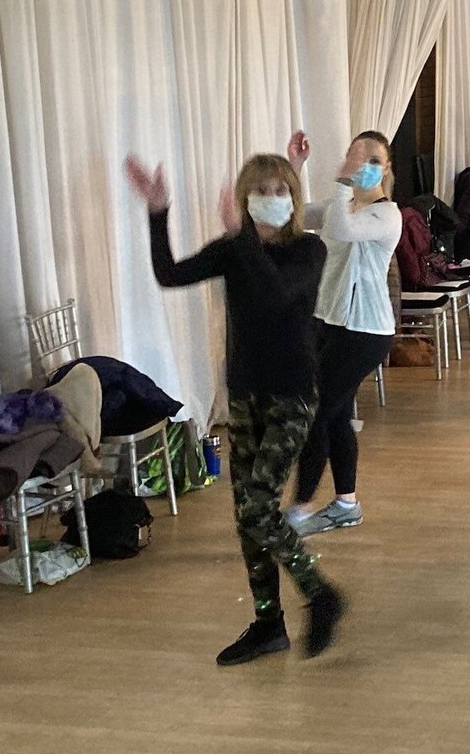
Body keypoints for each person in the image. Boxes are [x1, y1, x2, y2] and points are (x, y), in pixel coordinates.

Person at [125, 151, 344, 665]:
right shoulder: (235, 249)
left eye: (280, 191)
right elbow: (169, 275)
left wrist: (243, 241)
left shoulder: (308, 250)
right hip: (245, 394)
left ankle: (321, 594)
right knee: (247, 518)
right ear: (246, 198)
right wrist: (159, 212)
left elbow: (273, 295)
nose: (272, 200)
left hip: (293, 392)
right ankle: (269, 623)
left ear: (293, 198)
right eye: (261, 191)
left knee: (258, 505)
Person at [283, 129, 400, 537]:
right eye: (356, 157)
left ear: (386, 170)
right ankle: (346, 503)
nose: (363, 166)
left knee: (317, 412)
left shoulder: (386, 214)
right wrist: (295, 168)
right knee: (335, 416)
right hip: (332, 322)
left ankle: (299, 509)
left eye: (372, 160)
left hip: (366, 331)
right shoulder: (343, 205)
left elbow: (345, 229)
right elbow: (295, 218)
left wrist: (340, 182)